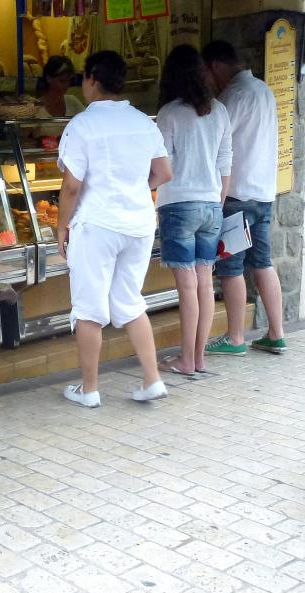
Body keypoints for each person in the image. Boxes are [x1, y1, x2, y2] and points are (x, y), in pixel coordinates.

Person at [56, 50, 173, 407]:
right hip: (138, 224)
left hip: (98, 226)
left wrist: (62, 225)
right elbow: (164, 173)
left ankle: (89, 389)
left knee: (90, 306)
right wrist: (136, 187)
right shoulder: (143, 121)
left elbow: (72, 186)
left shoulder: (82, 125)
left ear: (92, 78)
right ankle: (152, 379)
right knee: (129, 301)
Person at [202, 40, 286, 355]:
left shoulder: (234, 96)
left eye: (208, 74)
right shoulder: (263, 90)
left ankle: (235, 337)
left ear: (215, 66)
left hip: (237, 196)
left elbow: (214, 135)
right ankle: (276, 333)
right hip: (263, 194)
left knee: (231, 267)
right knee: (262, 263)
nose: (210, 82)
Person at [154, 44, 233, 376]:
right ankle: (197, 357)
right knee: (204, 284)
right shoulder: (220, 111)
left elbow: (162, 170)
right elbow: (225, 167)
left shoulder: (169, 114)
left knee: (187, 286)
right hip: (211, 205)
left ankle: (186, 359)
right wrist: (217, 202)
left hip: (178, 206)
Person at [35, 55, 86, 120]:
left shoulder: (73, 102)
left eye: (69, 80)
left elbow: (88, 122)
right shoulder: (36, 108)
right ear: (48, 78)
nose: (67, 85)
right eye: (62, 81)